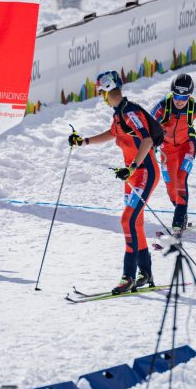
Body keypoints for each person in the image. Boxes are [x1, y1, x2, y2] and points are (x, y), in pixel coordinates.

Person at [69, 70, 161, 295]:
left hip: (144, 172)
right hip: (131, 176)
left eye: (101, 92)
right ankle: (145, 272)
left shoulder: (130, 112)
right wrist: (84, 141)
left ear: (106, 92)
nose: (101, 96)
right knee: (135, 223)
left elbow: (147, 140)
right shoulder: (119, 114)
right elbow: (112, 134)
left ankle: (128, 276)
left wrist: (132, 167)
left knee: (127, 220)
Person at [150, 73, 196, 234]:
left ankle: (177, 223)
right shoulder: (162, 107)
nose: (179, 100)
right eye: (176, 96)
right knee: (171, 189)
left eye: (184, 97)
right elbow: (148, 125)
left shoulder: (194, 107)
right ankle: (182, 213)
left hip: (187, 146)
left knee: (181, 179)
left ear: (189, 96)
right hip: (167, 151)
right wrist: (151, 144)